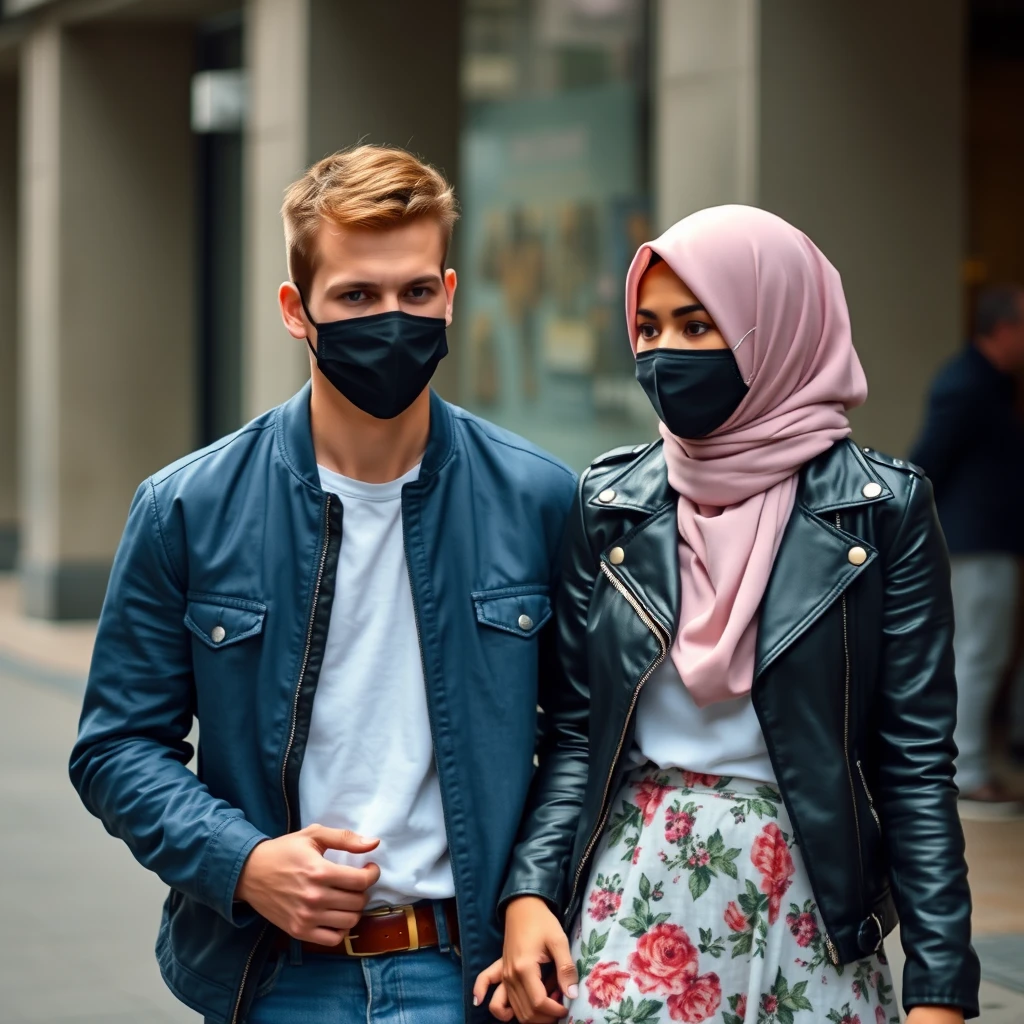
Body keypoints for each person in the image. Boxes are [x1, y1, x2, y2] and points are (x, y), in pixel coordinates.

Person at [69, 145, 576, 1024]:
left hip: (471, 973)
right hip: (273, 974)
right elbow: (116, 747)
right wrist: (245, 861)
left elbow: (584, 734)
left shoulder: (538, 498)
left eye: (416, 293)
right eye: (357, 297)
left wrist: (533, 891)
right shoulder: (187, 506)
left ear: (451, 295)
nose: (393, 318)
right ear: (296, 311)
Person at [476, 206, 980, 1023]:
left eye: (698, 324)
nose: (665, 352)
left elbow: (915, 765)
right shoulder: (609, 504)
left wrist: (940, 990)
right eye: (647, 326)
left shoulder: (882, 510)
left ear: (773, 326)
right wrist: (530, 894)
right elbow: (572, 734)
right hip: (629, 894)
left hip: (808, 905)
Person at [909, 284, 1024, 812]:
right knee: (976, 656)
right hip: (974, 542)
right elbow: (928, 457)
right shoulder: (968, 383)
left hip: (990, 540)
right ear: (1005, 328)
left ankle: (966, 768)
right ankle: (964, 772)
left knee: (982, 654)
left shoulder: (993, 383)